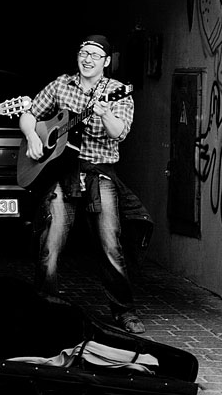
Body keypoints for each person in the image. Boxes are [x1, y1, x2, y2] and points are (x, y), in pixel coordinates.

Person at [19, 34, 152, 334]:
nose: (87, 59)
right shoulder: (61, 85)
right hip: (62, 172)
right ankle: (45, 307)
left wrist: (105, 114)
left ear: (106, 61)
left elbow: (119, 133)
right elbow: (29, 115)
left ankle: (124, 311)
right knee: (49, 244)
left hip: (98, 173)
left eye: (95, 55)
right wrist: (32, 136)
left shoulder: (118, 92)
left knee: (110, 245)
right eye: (83, 53)